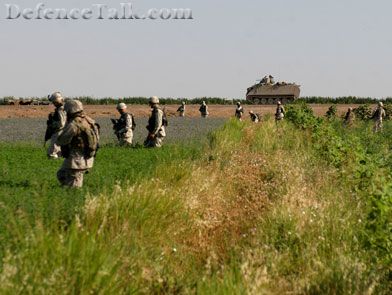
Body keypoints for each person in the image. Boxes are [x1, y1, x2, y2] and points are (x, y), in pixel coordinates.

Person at [56, 100, 99, 188]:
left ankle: (72, 196)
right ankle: (66, 190)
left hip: (77, 158)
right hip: (88, 155)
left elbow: (62, 140)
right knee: (61, 174)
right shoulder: (89, 120)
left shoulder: (74, 124)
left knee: (75, 185)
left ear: (70, 110)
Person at [45, 92, 67, 159]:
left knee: (52, 153)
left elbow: (61, 123)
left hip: (58, 132)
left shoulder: (60, 109)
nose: (53, 104)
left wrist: (52, 124)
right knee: (59, 152)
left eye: (54, 102)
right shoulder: (64, 108)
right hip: (64, 131)